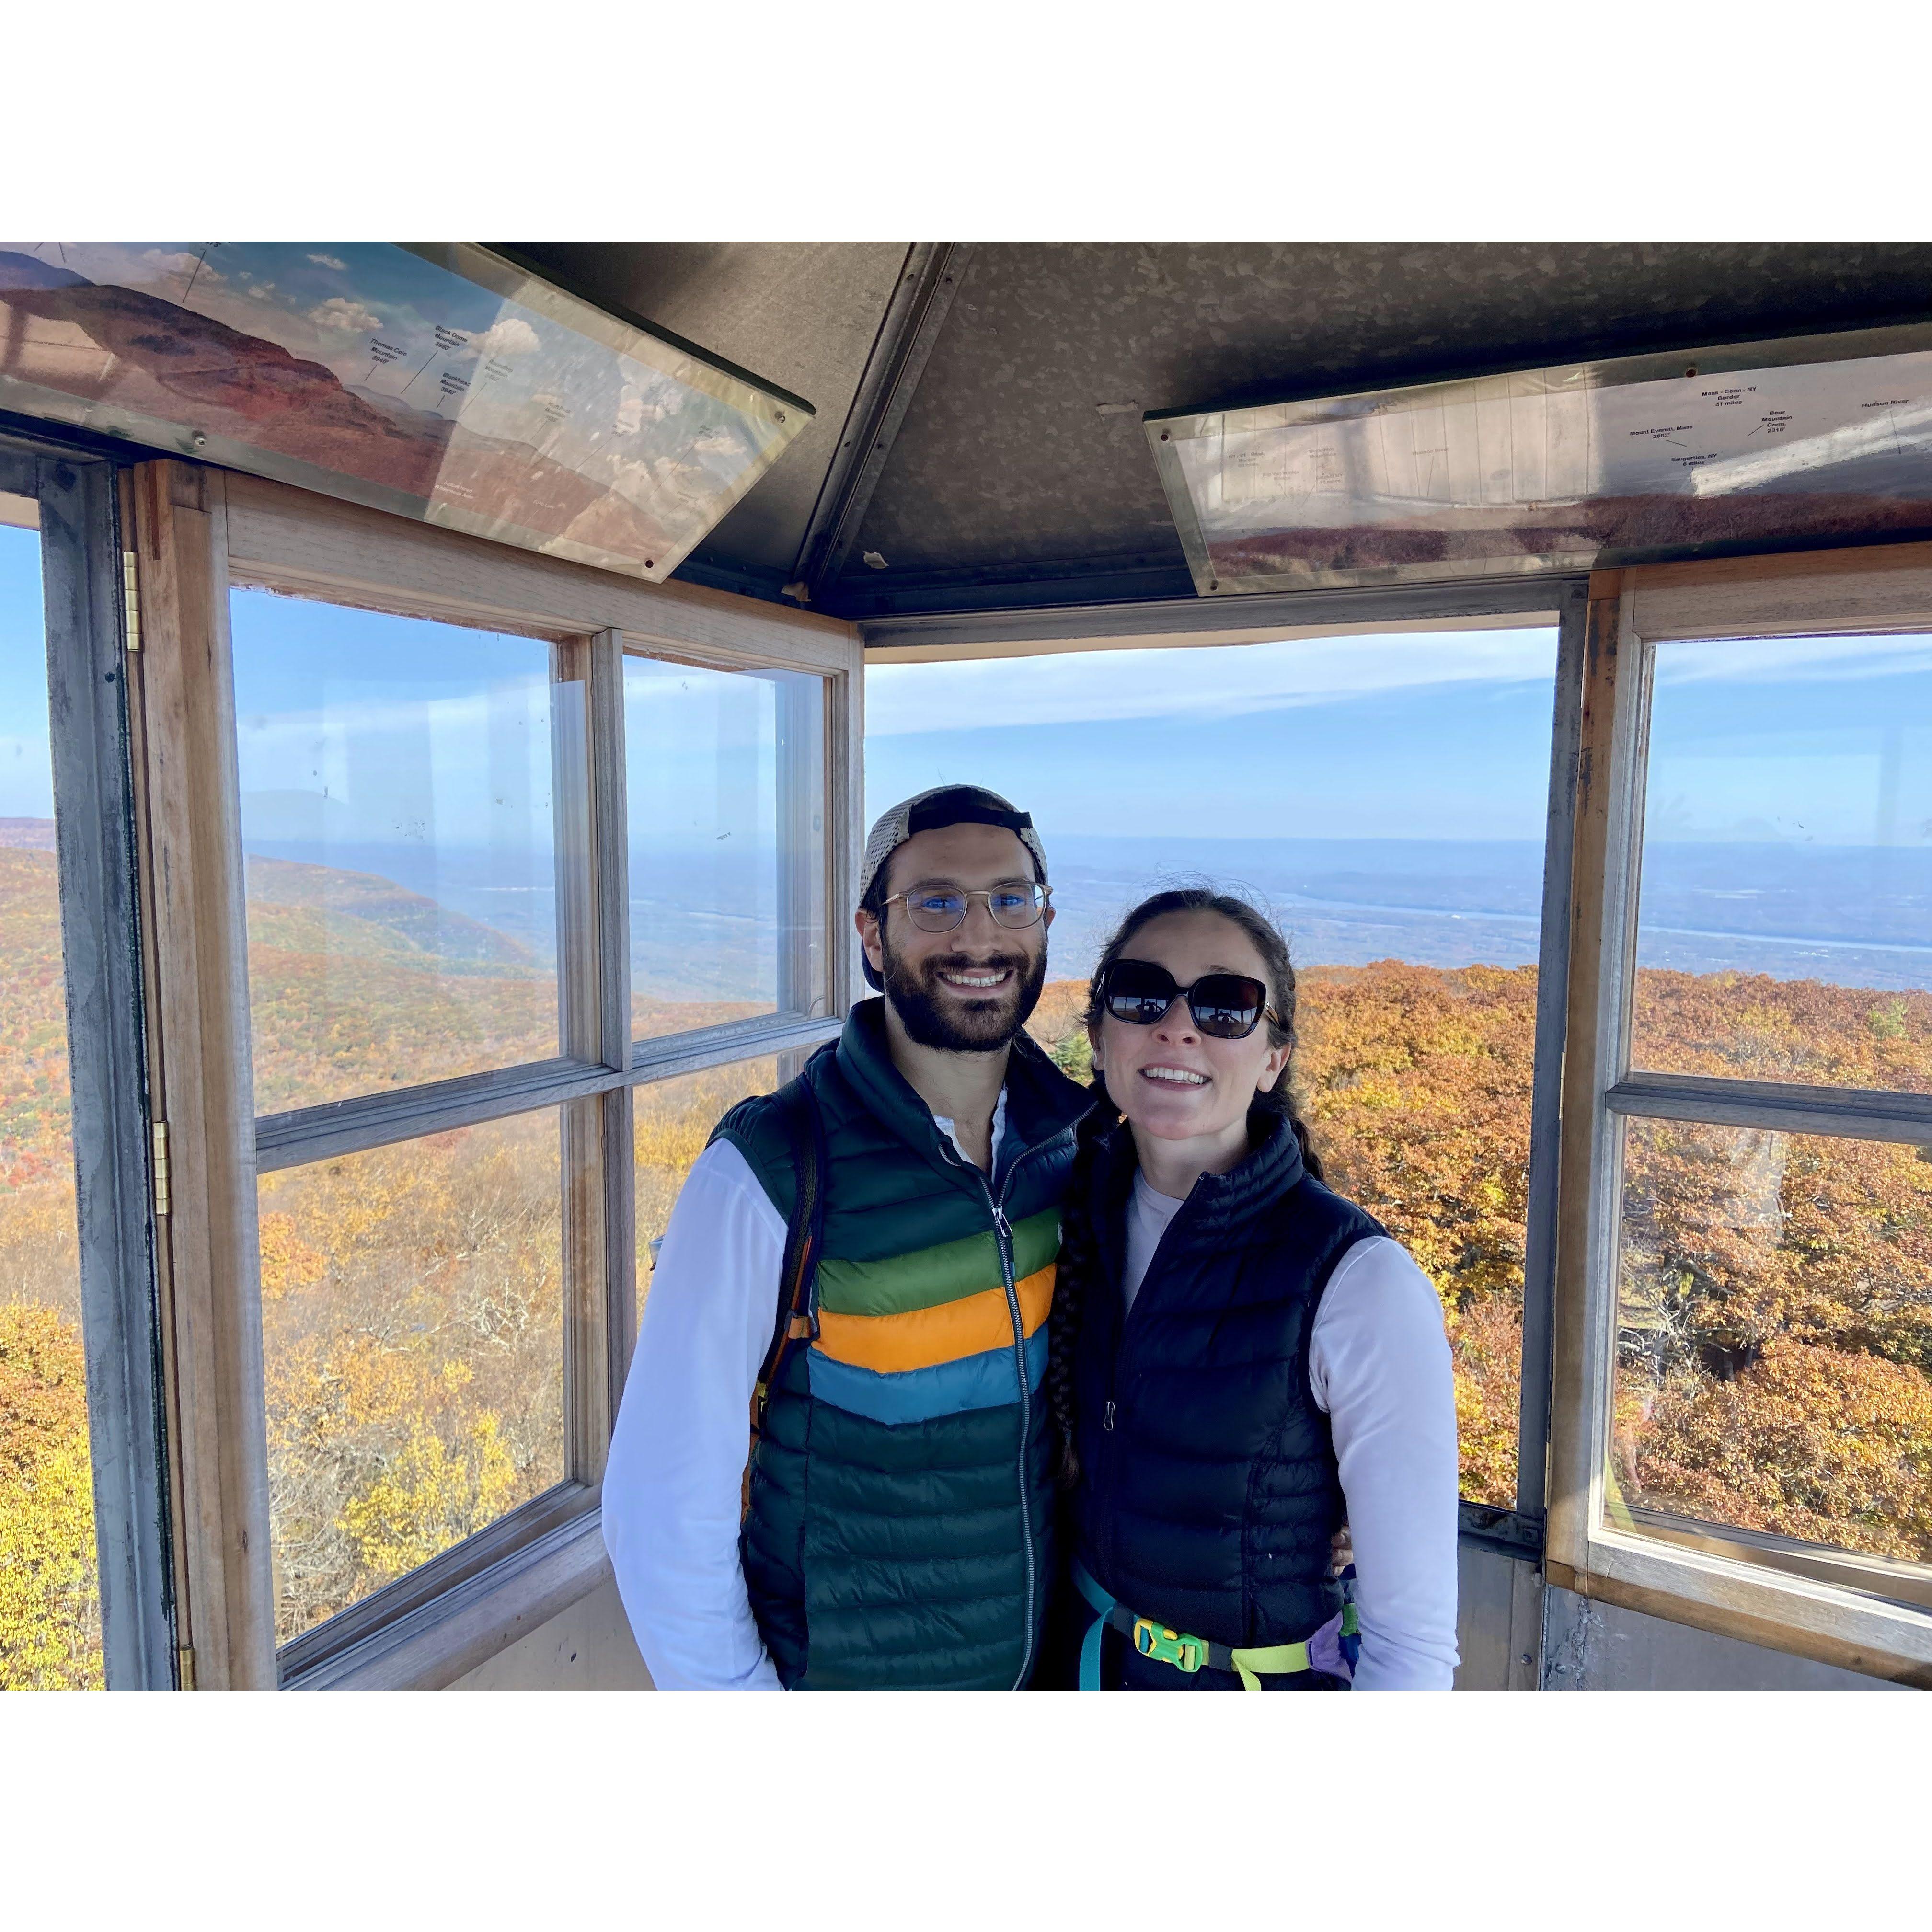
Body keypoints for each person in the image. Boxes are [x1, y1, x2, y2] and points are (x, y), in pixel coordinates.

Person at [602, 784, 1094, 1688]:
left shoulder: (1078, 1145)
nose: (978, 936)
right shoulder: (769, 1169)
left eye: (1009, 900)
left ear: (1045, 923)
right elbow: (663, 1502)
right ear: (874, 936)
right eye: (935, 903)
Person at [1048, 887, 1460, 1690]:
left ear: (1274, 1058)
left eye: (1227, 1006)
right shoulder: (1061, 1216)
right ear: (1099, 1038)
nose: (1178, 1027)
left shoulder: (1357, 1281)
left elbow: (1410, 1647)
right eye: (1141, 995)